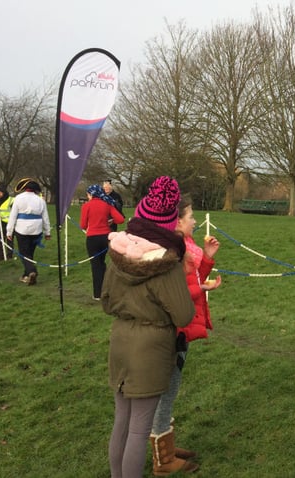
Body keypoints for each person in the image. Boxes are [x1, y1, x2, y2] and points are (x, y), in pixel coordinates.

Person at [103, 176, 196, 478]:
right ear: (169, 224)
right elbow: (183, 315)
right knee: (139, 430)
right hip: (151, 350)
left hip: (120, 341)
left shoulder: (118, 252)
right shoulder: (166, 262)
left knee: (122, 421)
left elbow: (106, 301)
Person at [150, 199, 220, 475]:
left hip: (186, 325)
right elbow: (176, 293)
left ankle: (166, 444)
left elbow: (193, 282)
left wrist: (207, 256)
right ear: (177, 221)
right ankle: (162, 459)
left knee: (171, 388)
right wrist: (202, 288)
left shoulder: (185, 248)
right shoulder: (172, 251)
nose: (194, 221)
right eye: (190, 216)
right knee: (166, 390)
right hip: (175, 329)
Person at [80, 184, 125, 300]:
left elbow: (83, 225)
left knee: (96, 266)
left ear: (91, 194)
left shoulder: (86, 206)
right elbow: (120, 219)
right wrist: (109, 221)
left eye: (88, 194)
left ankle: (98, 294)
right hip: (106, 237)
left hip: (92, 239)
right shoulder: (107, 204)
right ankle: (108, 289)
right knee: (103, 264)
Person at [6, 178, 51, 285]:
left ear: (24, 188)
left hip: (22, 228)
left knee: (23, 253)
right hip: (37, 228)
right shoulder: (40, 200)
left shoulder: (18, 198)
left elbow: (13, 216)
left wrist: (9, 231)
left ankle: (31, 271)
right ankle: (26, 275)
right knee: (30, 253)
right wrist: (47, 232)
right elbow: (45, 217)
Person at [0, 186, 14, 261]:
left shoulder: (11, 200)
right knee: (0, 240)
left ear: (3, 193)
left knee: (9, 239)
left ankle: (9, 256)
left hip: (8, 223)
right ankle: (0, 256)